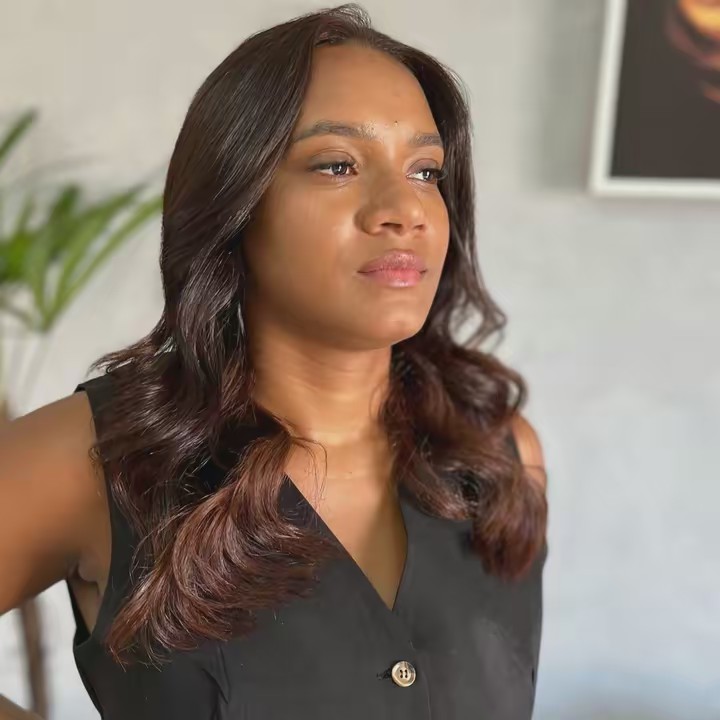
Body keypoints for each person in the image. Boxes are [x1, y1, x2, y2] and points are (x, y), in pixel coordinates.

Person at [0, 4, 548, 719]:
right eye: (337, 165)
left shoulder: (502, 457)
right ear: (236, 200)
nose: (404, 209)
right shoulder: (96, 457)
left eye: (425, 171)